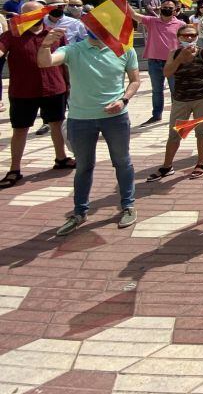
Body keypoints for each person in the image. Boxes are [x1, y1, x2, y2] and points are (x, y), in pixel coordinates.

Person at [37, 19, 140, 236]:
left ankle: (128, 205)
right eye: (91, 25)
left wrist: (124, 100)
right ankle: (79, 212)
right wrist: (45, 45)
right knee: (84, 166)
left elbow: (134, 81)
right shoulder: (74, 50)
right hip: (80, 119)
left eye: (100, 25)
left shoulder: (125, 49)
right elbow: (45, 63)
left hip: (116, 118)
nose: (94, 29)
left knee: (122, 162)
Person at [0, 2, 73, 187]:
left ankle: (61, 158)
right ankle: (14, 169)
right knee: (20, 128)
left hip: (54, 87)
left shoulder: (54, 33)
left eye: (35, 13)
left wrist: (69, 84)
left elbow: (65, 60)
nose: (31, 17)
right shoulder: (11, 35)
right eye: (26, 14)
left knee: (56, 122)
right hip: (23, 91)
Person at [149, 14, 203, 181]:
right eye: (185, 35)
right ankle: (167, 166)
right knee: (175, 134)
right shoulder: (174, 53)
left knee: (201, 132)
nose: (189, 38)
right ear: (179, 38)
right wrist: (180, 59)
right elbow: (167, 72)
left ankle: (200, 163)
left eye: (193, 35)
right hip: (181, 99)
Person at [130, 0, 184, 126]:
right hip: (154, 62)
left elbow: (188, 40)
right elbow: (133, 15)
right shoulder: (152, 21)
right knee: (157, 90)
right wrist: (123, 1)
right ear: (160, 9)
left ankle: (177, 116)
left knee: (175, 91)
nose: (167, 9)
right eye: (164, 6)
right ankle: (156, 115)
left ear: (175, 10)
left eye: (170, 7)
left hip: (173, 63)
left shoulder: (181, 24)